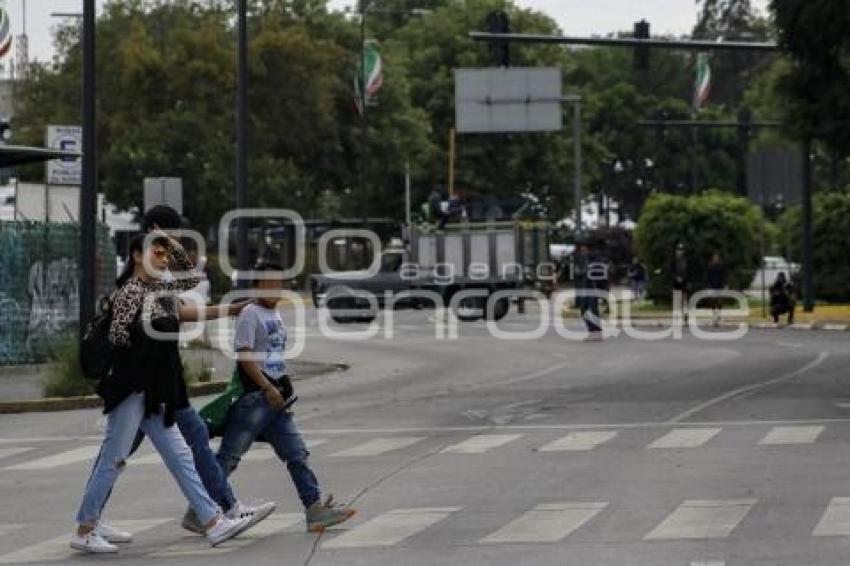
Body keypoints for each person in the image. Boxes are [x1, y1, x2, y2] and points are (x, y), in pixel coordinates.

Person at [90, 206, 276, 543]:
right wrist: (138, 366)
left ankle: (216, 515)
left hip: (160, 385)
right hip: (142, 386)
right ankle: (90, 522)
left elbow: (186, 299)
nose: (172, 251)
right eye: (166, 243)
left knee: (172, 451)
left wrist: (229, 309)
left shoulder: (158, 279)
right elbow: (119, 338)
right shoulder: (136, 286)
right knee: (117, 456)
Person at [216, 263, 357, 532]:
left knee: (297, 454)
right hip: (256, 398)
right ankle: (202, 510)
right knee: (229, 457)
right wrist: (267, 388)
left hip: (277, 401)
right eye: (267, 284)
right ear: (255, 287)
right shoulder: (250, 313)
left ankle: (314, 509)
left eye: (278, 284)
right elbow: (244, 356)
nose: (273, 289)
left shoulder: (273, 313)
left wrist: (278, 389)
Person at [573, 242, 607, 342]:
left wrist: (582, 271)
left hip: (593, 286)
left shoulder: (595, 258)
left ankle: (596, 332)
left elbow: (595, 271)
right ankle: (593, 331)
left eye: (583, 248)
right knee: (584, 309)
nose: (581, 250)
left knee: (592, 309)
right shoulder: (585, 258)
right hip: (587, 287)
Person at [670, 243, 689, 321]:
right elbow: (671, 271)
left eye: (681, 250)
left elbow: (688, 271)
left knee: (684, 299)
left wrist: (684, 278)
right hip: (676, 282)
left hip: (684, 282)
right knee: (677, 299)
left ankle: (685, 314)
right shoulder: (673, 261)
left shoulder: (686, 261)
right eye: (678, 250)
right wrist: (676, 277)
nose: (679, 252)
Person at [706, 253, 726, 327]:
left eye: (716, 258)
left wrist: (724, 284)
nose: (715, 259)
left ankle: (719, 314)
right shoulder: (710, 266)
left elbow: (723, 276)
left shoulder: (721, 266)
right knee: (713, 300)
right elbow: (708, 276)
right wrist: (708, 285)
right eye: (714, 258)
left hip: (719, 286)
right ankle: (714, 314)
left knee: (719, 301)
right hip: (712, 285)